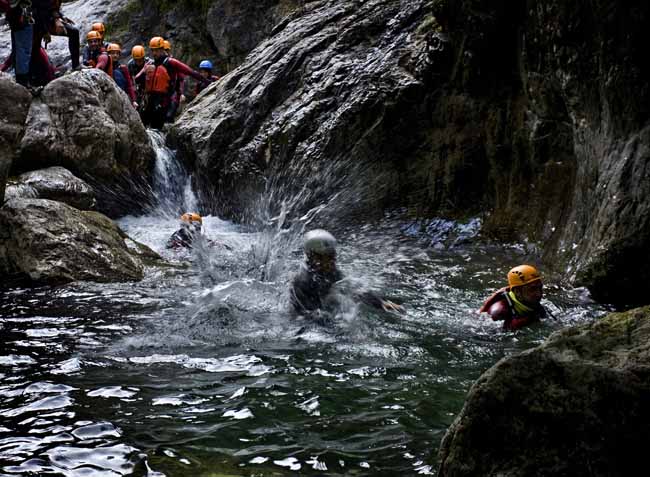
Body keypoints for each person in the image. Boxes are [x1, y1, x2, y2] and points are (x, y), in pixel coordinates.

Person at [290, 229, 404, 316]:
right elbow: (310, 316)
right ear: (312, 257)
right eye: (327, 257)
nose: (332, 261)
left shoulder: (330, 272)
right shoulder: (302, 282)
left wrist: (380, 303)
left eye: (333, 255)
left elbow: (354, 288)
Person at [141, 36, 211, 129]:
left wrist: (207, 81)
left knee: (156, 126)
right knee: (143, 123)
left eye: (157, 50)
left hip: (164, 100)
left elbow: (190, 72)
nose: (154, 53)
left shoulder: (171, 62)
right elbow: (139, 79)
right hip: (151, 100)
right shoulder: (151, 64)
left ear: (162, 49)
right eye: (152, 50)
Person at [479, 265, 547, 331]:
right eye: (532, 289)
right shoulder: (500, 311)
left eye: (540, 287)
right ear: (517, 292)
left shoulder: (532, 302)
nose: (539, 294)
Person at [31, 0, 79, 70]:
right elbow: (39, 10)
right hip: (38, 22)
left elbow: (53, 8)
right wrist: (45, 31)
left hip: (48, 20)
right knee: (34, 49)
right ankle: (32, 74)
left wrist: (62, 16)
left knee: (74, 32)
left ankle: (76, 66)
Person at [1, 0, 33, 87]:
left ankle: (22, 80)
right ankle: (23, 82)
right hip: (20, 18)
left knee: (20, 50)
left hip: (19, 17)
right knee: (23, 50)